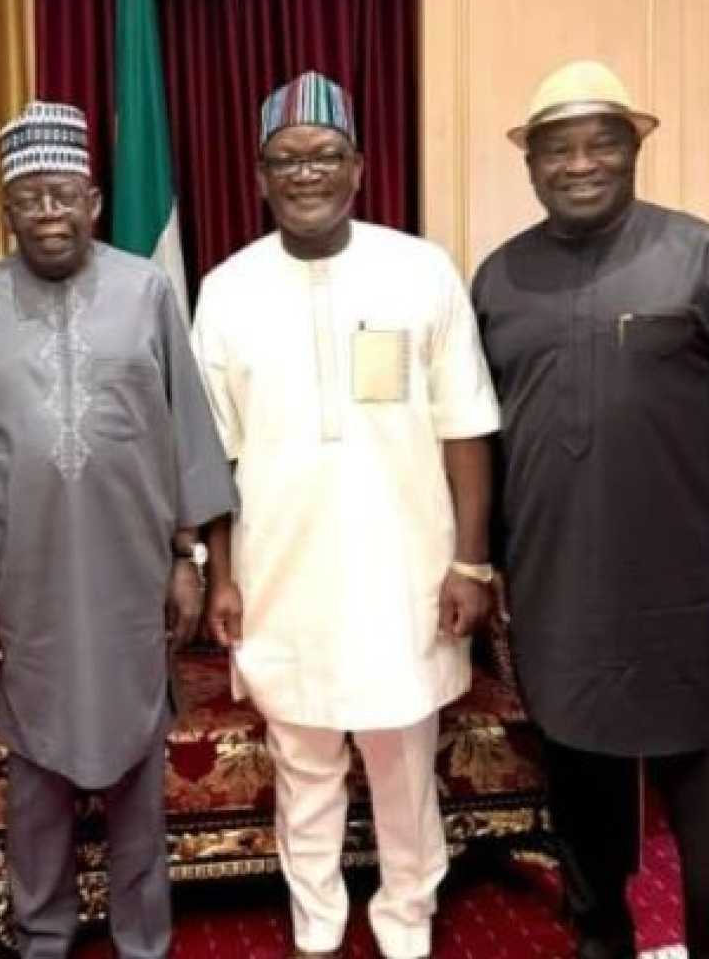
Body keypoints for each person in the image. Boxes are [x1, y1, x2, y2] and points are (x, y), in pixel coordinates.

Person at [471, 59, 709, 959]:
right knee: (582, 802)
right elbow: (477, 440)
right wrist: (486, 567)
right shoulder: (497, 279)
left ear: (634, 150)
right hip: (557, 593)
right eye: (557, 149)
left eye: (600, 144)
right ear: (530, 164)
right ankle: (599, 941)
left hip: (690, 591)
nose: (579, 164)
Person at [191, 72, 501, 959]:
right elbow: (217, 454)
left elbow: (466, 425)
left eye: (325, 155)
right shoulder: (228, 288)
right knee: (304, 763)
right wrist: (223, 574)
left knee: (404, 762)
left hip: (404, 568)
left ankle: (408, 917)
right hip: (281, 570)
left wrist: (470, 562)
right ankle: (317, 925)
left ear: (358, 167)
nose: (307, 173)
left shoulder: (420, 269)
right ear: (260, 177)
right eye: (285, 159)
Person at [0, 100, 236, 958]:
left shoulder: (145, 290)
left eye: (64, 194)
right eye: (30, 197)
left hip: (130, 572)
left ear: (95, 201)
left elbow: (187, 433)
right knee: (34, 768)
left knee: (137, 763)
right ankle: (42, 933)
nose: (49, 212)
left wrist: (189, 558)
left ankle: (143, 937)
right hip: (25, 577)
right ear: (7, 208)